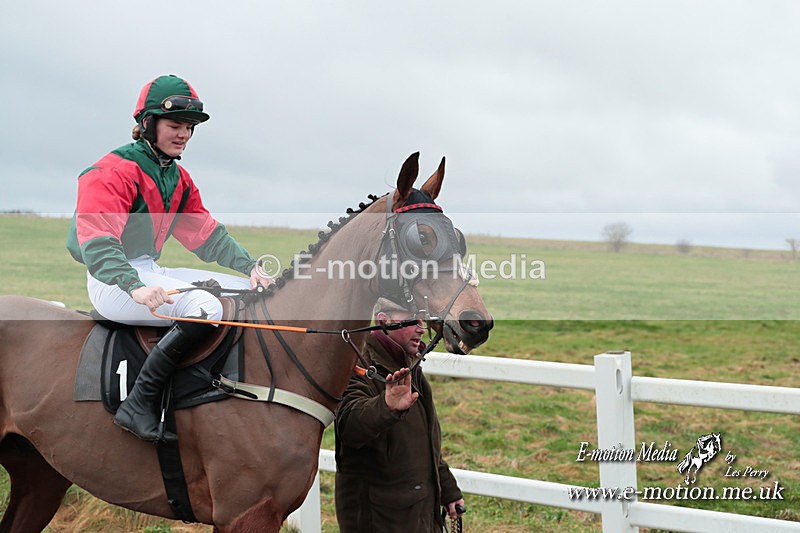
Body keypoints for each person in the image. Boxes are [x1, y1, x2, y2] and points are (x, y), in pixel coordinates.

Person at [67, 74, 273, 442]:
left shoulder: (177, 177)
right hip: (112, 280)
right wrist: (134, 287)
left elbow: (206, 234)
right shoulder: (111, 172)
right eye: (174, 125)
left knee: (248, 292)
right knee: (206, 308)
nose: (183, 135)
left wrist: (250, 267)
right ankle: (138, 404)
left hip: (147, 269)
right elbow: (98, 244)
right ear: (147, 124)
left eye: (189, 128)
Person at [334, 298, 466, 532]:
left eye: (422, 321)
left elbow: (424, 442)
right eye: (412, 319)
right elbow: (348, 428)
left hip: (419, 515)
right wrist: (386, 407)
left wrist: (447, 489)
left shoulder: (410, 367)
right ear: (384, 321)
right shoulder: (356, 363)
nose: (420, 328)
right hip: (379, 520)